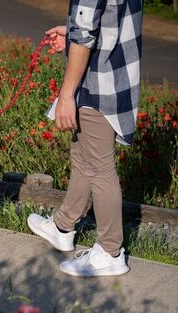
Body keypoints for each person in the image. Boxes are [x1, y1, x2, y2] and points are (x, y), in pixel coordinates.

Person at [27, 0, 143, 277]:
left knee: (100, 168)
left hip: (99, 83)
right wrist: (72, 31)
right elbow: (106, 20)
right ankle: (63, 226)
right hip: (115, 76)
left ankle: (110, 252)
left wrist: (66, 95)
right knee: (83, 155)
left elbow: (84, 34)